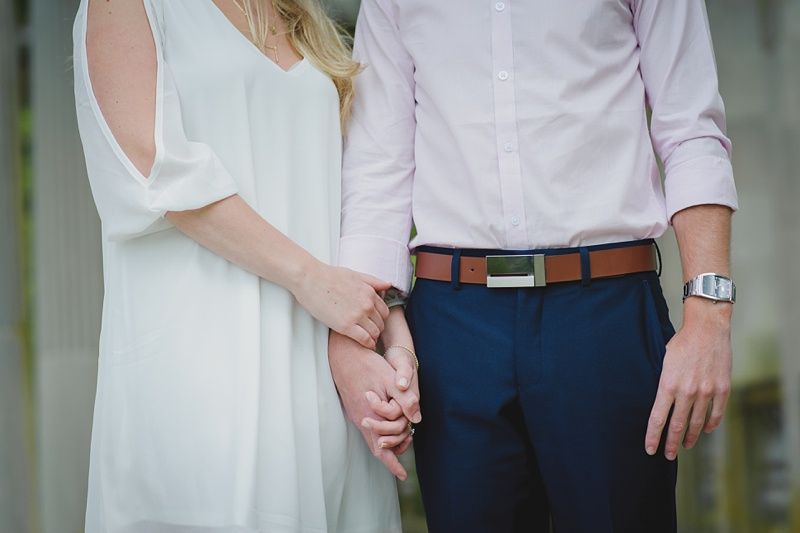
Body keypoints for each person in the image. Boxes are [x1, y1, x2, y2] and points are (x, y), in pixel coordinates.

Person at [329, 0, 739, 531]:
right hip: (454, 331)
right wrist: (375, 323)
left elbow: (692, 131)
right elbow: (377, 164)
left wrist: (710, 314)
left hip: (605, 312)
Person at [72, 1, 416, 531]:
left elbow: (354, 187)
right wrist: (311, 279)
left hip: (322, 372)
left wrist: (380, 321)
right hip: (203, 368)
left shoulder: (298, 13)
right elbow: (153, 166)